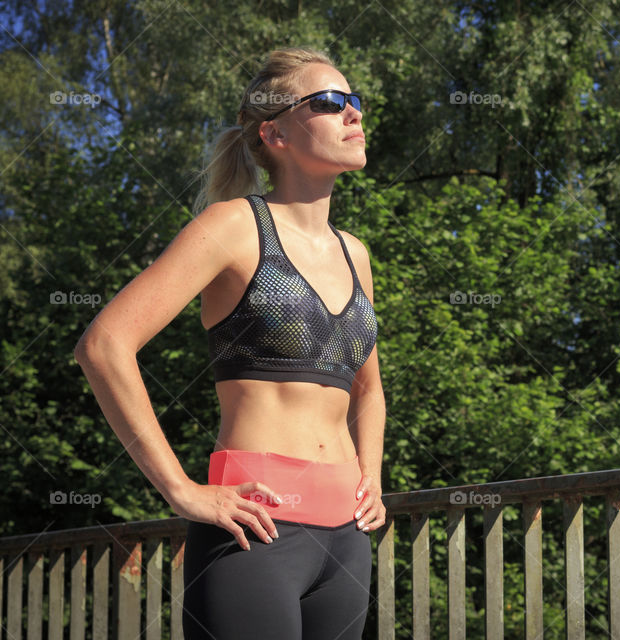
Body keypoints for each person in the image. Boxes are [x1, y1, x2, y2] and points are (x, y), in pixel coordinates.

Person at [73, 46, 386, 639]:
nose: (353, 114)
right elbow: (104, 344)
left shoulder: (357, 254)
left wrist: (370, 472)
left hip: (348, 542)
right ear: (276, 133)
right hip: (256, 533)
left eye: (356, 101)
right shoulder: (232, 227)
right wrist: (182, 491)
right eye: (329, 102)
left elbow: (368, 388)